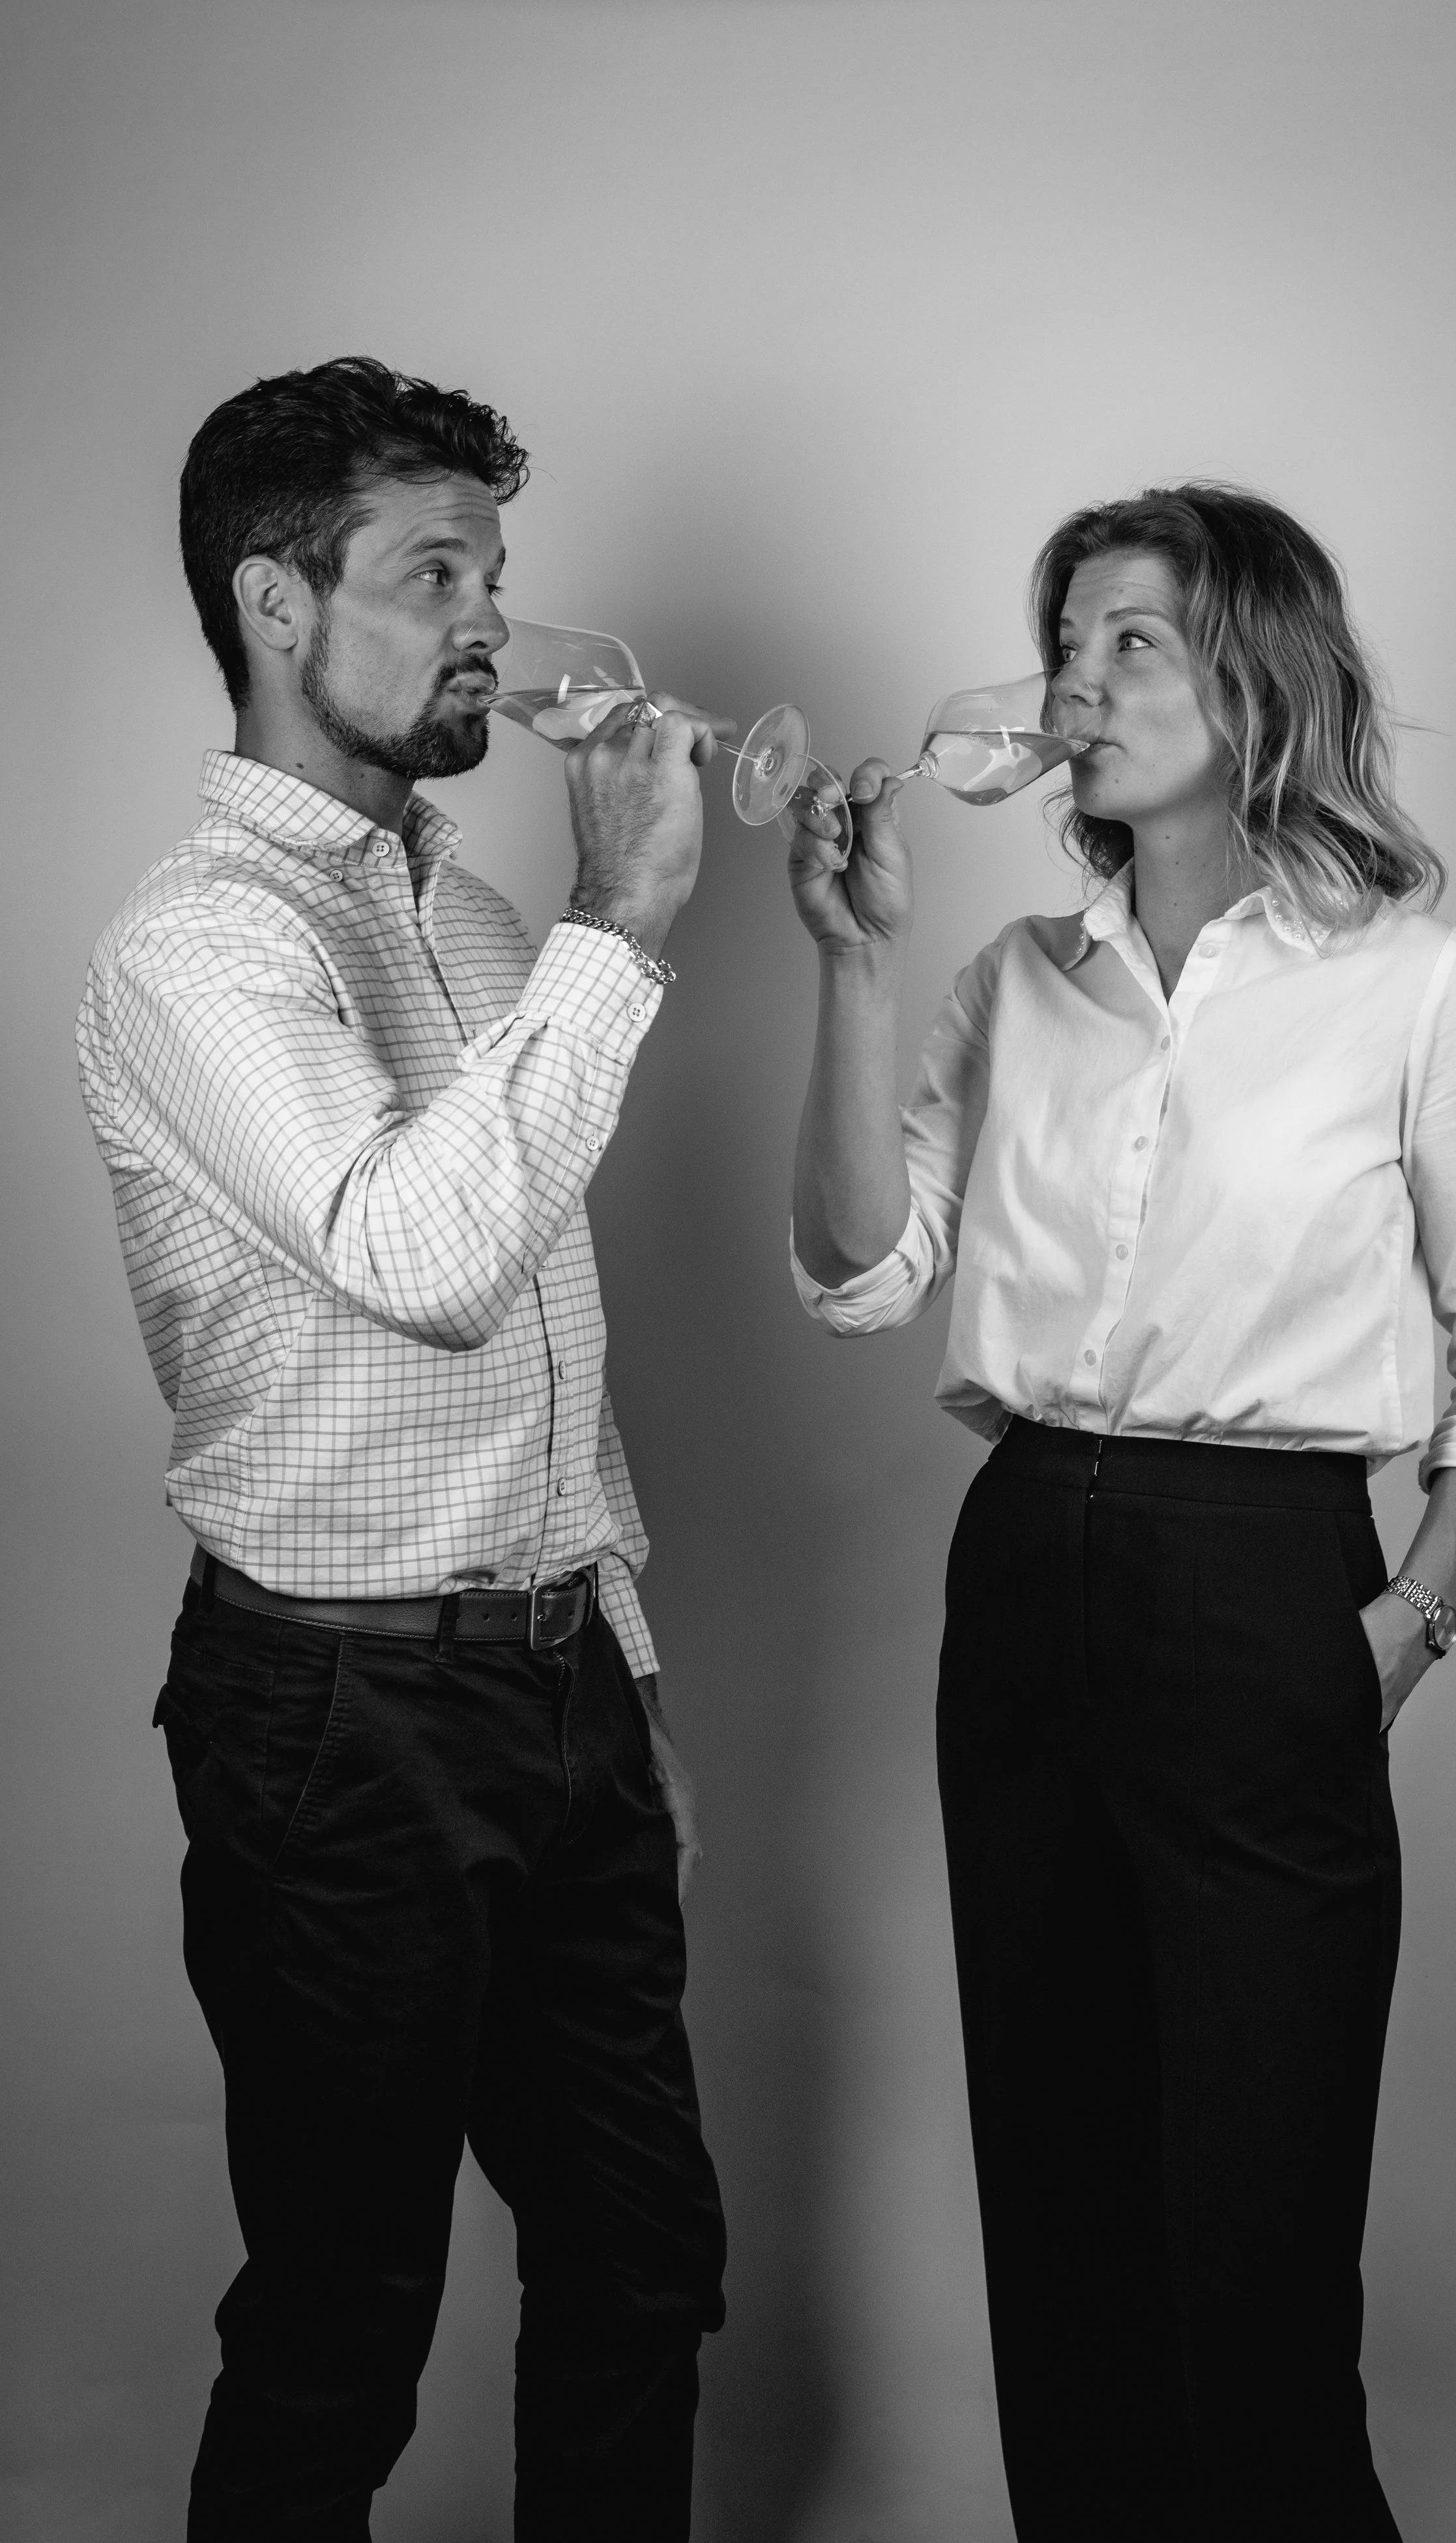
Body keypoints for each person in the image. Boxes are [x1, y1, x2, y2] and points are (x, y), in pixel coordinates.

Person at [783, 484, 1456, 2540]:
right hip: (1030, 1554)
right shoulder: (1010, 979)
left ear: (1258, 672)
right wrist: (852, 966)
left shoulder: (1412, 984)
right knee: (1065, 2235)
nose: (1077, 677)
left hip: (1265, 1581)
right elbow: (862, 1270)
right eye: (1067, 637)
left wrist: (1401, 1621)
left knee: (1247, 2265)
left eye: (1134, 638)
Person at [76, 356, 727, 2542]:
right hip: (337, 1712)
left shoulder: (464, 917)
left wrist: (617, 1673)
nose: (488, 621)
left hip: (555, 1679)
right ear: (276, 601)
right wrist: (623, 924)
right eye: (432, 569)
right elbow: (428, 1254)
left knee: (644, 2255)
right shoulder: (197, 945)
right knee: (346, 2314)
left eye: (496, 572)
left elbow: (553, 1337)